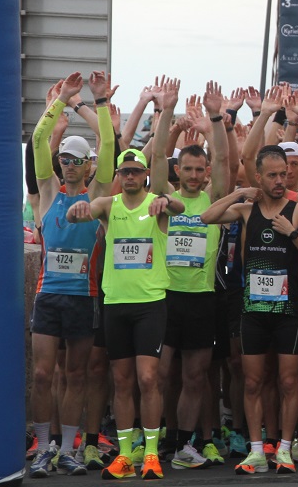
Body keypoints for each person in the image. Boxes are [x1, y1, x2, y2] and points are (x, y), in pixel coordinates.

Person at [66, 146, 185, 481]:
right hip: (116, 303)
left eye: (136, 171)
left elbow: (179, 206)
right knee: (121, 381)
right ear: (119, 176)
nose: (130, 176)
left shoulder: (156, 204)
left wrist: (168, 201)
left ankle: (150, 453)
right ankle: (124, 455)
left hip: (150, 303)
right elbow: (87, 211)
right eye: (125, 171)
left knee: (148, 378)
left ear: (146, 173)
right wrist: (77, 210)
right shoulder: (110, 205)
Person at [203, 145, 298, 476]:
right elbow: (207, 217)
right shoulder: (245, 210)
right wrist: (240, 193)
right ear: (259, 177)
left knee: (287, 381)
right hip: (253, 310)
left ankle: (283, 449)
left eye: (284, 174)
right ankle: (257, 450)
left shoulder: (297, 211)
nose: (280, 181)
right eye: (272, 175)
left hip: (287, 314)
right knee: (253, 382)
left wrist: (292, 233)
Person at [28, 71, 115, 477]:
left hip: (83, 298)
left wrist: (96, 103)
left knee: (76, 374)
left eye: (73, 160)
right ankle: (43, 446)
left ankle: (68, 448)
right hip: (49, 296)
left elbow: (110, 145)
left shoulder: (96, 197)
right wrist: (59, 101)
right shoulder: (47, 194)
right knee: (44, 374)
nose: (64, 165)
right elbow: (36, 144)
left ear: (86, 165)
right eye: (61, 158)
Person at [149, 80, 231, 469]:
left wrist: (216, 118)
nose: (195, 175)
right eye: (189, 168)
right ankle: (162, 436)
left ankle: (184, 443)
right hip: (165, 296)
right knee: (162, 375)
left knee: (197, 375)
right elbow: (154, 164)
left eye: (201, 169)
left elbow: (227, 164)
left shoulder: (214, 198)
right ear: (178, 169)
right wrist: (167, 113)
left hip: (202, 298)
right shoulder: (165, 194)